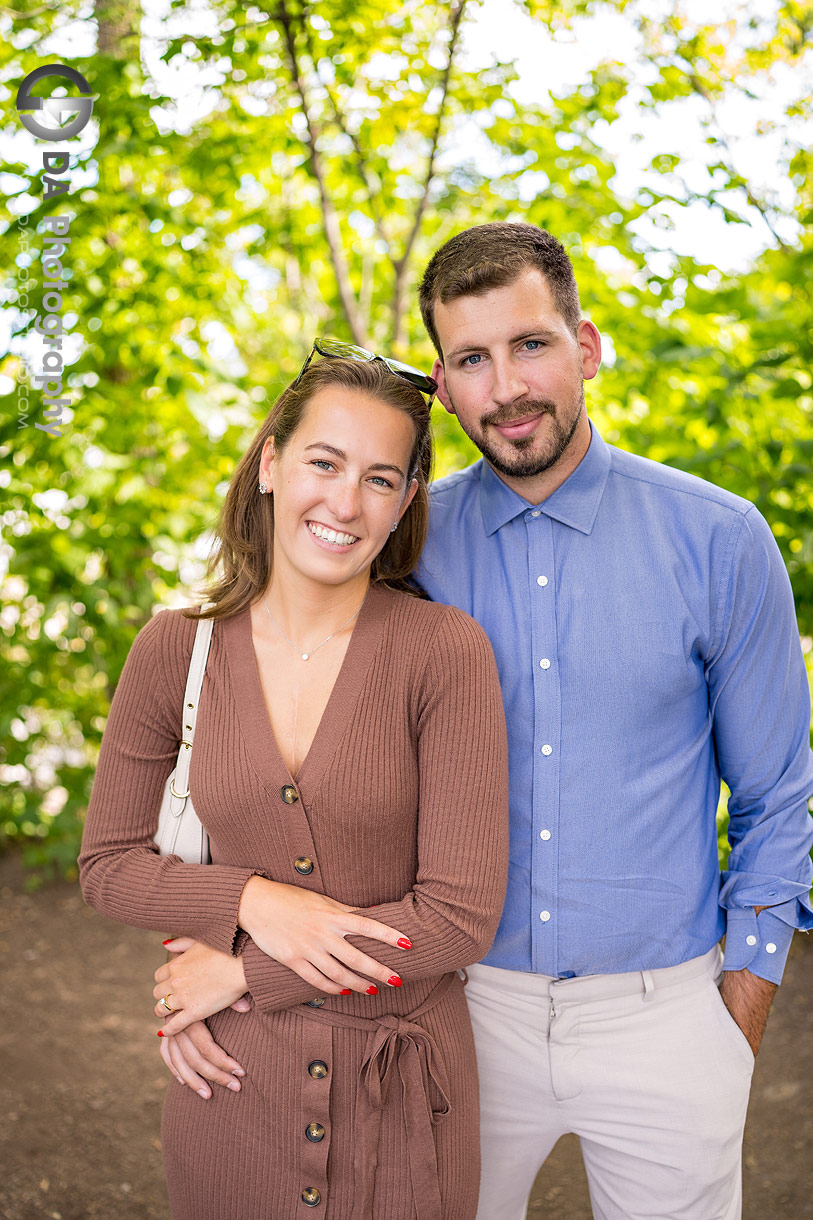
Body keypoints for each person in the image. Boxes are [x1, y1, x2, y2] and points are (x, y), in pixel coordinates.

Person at [149, 222, 813, 1218]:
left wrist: (734, 1013)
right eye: (471, 358)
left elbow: (778, 797)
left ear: (585, 346)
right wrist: (233, 953)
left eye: (530, 344)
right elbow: (284, 765)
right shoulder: (394, 542)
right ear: (444, 380)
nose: (506, 386)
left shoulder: (718, 540)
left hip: (667, 1012)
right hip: (450, 1005)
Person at [78, 347, 509, 1220]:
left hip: (404, 1099)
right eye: (323, 462)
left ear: (405, 504)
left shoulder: (444, 652)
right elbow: (108, 864)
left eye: (381, 479)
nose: (345, 503)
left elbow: (457, 921)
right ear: (271, 461)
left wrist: (244, 974)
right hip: (233, 1086)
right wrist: (254, 903)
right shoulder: (175, 648)